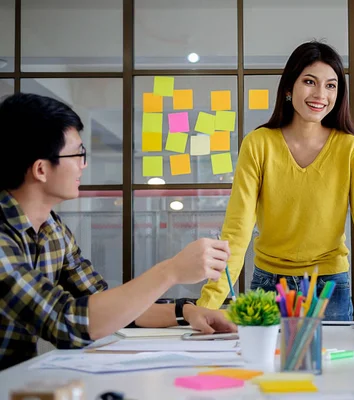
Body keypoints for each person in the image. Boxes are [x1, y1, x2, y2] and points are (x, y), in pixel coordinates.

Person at [0, 93, 236, 371]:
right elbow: (67, 322)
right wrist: (171, 271)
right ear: (41, 169)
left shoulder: (53, 230)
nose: (83, 165)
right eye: (78, 154)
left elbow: (108, 308)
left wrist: (185, 311)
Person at [197, 41, 354, 320]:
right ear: (289, 88)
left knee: (332, 364)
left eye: (331, 85)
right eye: (309, 82)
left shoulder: (349, 148)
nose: (320, 94)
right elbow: (237, 230)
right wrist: (208, 305)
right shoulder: (258, 143)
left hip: (329, 286)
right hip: (269, 284)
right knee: (269, 364)